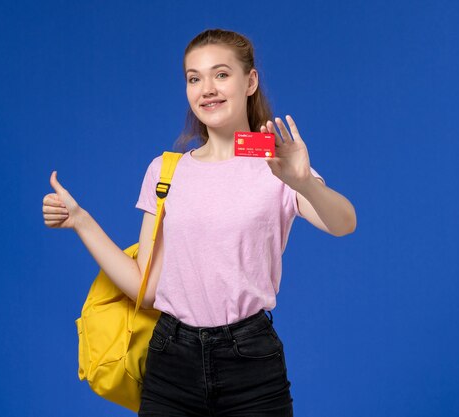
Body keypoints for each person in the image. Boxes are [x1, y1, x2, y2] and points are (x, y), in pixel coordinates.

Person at [42, 28, 356, 416]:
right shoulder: (166, 171)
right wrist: (81, 221)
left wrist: (305, 183)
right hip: (171, 358)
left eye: (221, 74)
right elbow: (147, 286)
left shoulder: (279, 165)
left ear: (250, 81)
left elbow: (343, 223)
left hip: (251, 361)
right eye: (194, 78)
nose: (207, 88)